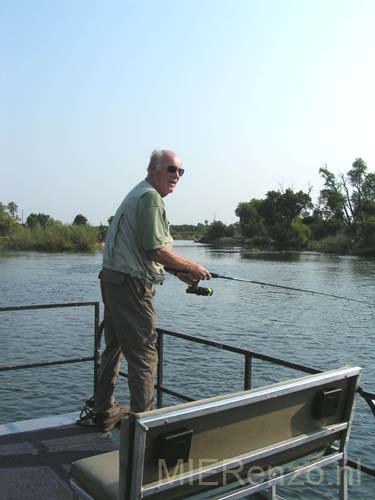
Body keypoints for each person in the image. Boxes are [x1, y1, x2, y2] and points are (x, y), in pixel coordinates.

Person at [94, 149, 211, 431]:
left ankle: (104, 409)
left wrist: (178, 271)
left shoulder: (139, 193)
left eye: (181, 172)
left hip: (113, 280)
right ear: (154, 169)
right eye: (172, 170)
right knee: (145, 353)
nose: (177, 177)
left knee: (115, 346)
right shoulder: (151, 199)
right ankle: (145, 425)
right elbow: (155, 249)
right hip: (130, 286)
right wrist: (192, 266)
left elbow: (141, 249)